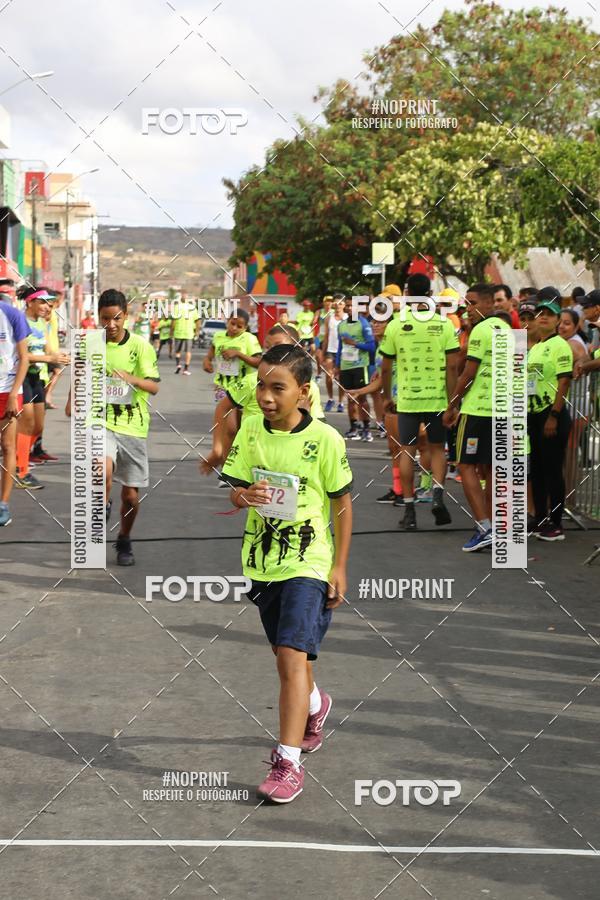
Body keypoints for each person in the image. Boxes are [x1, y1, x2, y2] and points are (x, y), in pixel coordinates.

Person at [221, 343, 353, 803]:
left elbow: (341, 504)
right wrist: (244, 497)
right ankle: (316, 705)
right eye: (261, 385)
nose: (265, 396)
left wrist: (339, 565)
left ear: (303, 391)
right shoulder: (250, 429)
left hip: (309, 561)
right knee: (285, 656)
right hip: (262, 561)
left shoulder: (326, 440)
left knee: (292, 657)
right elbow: (235, 489)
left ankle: (288, 764)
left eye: (277, 388)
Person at [67, 289, 160, 565]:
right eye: (105, 319)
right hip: (99, 419)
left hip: (132, 425)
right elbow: (80, 373)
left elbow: (153, 386)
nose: (111, 325)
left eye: (116, 318)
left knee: (130, 496)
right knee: (101, 468)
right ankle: (102, 507)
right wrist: (72, 399)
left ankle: (124, 537)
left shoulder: (141, 346)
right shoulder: (90, 343)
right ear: (98, 317)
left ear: (126, 316)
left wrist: (132, 379)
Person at [380, 273, 459, 531]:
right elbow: (452, 368)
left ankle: (409, 509)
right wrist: (452, 402)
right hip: (436, 399)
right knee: (436, 449)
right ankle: (437, 495)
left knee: (407, 450)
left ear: (406, 294)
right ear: (430, 293)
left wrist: (387, 397)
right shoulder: (444, 324)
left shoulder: (396, 324)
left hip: (407, 400)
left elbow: (386, 367)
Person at [199, 324, 325, 476]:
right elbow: (223, 408)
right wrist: (218, 449)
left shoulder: (310, 388)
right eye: (267, 347)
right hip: (252, 459)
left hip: (291, 464)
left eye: (278, 345)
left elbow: (317, 427)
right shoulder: (250, 381)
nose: (271, 351)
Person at [443, 283, 511, 552]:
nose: (467, 309)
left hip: (478, 411)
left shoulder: (481, 330)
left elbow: (468, 374)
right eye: (466, 304)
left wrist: (452, 405)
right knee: (492, 469)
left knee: (465, 465)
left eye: (472, 303)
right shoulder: (507, 330)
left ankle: (485, 527)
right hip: (503, 410)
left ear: (488, 303)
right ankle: (494, 528)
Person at [527, 297, 573, 541]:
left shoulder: (560, 345)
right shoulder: (536, 347)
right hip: (534, 414)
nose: (543, 317)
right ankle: (540, 518)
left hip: (551, 414)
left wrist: (553, 416)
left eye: (549, 314)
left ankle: (555, 523)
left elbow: (564, 381)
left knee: (553, 470)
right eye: (540, 313)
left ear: (557, 321)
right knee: (537, 469)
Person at [16, 288, 70, 490]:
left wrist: (61, 358)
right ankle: (21, 469)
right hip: (21, 377)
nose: (47, 307)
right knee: (27, 423)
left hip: (37, 377)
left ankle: (20, 457)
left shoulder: (42, 324)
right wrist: (50, 358)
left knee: (37, 426)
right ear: (30, 302)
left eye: (48, 303)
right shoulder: (19, 322)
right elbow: (22, 355)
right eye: (42, 302)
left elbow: (49, 350)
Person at [0, 299, 30, 524]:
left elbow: (24, 358)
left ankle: (3, 505)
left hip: (7, 390)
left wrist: (13, 395)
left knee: (8, 446)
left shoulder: (12, 315)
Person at [336, 296, 375, 440]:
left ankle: (366, 428)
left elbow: (371, 347)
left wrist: (355, 343)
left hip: (360, 366)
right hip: (345, 366)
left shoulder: (363, 323)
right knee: (350, 398)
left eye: (353, 305)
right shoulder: (341, 325)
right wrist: (337, 365)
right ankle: (353, 428)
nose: (350, 308)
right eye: (348, 305)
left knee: (361, 397)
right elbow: (340, 347)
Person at [203, 309, 262, 400]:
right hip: (222, 385)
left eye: (239, 326)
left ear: (245, 327)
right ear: (228, 321)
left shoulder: (249, 338)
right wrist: (207, 360)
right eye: (232, 323)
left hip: (242, 385)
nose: (234, 328)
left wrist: (238, 354)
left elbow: (259, 363)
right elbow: (211, 351)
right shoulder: (218, 336)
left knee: (231, 408)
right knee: (223, 408)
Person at [322, 296, 346, 413]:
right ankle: (330, 399)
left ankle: (341, 402)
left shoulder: (347, 318)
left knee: (341, 378)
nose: (338, 305)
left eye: (340, 303)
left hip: (343, 351)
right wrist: (323, 352)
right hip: (330, 350)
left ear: (344, 305)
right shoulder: (329, 318)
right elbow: (326, 336)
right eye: (336, 303)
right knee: (329, 376)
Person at [173, 295, 200, 374]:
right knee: (188, 351)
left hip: (178, 332)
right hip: (189, 332)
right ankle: (186, 369)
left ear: (180, 300)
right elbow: (197, 320)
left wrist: (171, 331)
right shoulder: (193, 308)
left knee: (178, 351)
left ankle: (178, 365)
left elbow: (174, 321)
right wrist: (197, 331)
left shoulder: (176, 307)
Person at [313, 295, 333, 381]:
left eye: (330, 301)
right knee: (318, 356)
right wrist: (314, 321)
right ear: (324, 303)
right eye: (327, 301)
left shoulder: (334, 312)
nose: (329, 303)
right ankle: (319, 373)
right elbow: (314, 321)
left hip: (330, 338)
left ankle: (331, 372)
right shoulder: (319, 311)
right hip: (319, 337)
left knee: (329, 357)